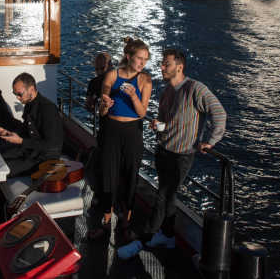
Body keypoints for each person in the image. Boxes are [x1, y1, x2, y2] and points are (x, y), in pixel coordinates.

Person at [118, 48, 227, 259]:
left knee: (163, 196)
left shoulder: (196, 89)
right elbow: (168, 122)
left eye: (166, 64)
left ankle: (143, 240)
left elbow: (219, 113)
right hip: (164, 150)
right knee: (167, 198)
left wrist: (210, 141)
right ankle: (167, 236)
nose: (161, 67)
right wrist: (158, 125)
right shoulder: (168, 91)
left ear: (179, 66)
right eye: (162, 63)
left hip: (182, 155)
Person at [94, 38, 152, 236]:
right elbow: (101, 112)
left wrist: (134, 96)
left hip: (132, 132)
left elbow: (142, 112)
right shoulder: (111, 75)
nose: (142, 63)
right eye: (139, 58)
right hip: (111, 129)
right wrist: (105, 105)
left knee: (130, 174)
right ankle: (106, 218)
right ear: (129, 57)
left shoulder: (145, 80)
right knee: (108, 173)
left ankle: (126, 218)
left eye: (145, 59)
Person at [0, 72, 64, 177]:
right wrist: (8, 133)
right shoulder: (29, 105)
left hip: (43, 158)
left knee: (1, 169)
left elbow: (52, 144)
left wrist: (21, 141)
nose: (17, 97)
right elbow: (26, 130)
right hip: (29, 150)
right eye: (15, 94)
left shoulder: (47, 109)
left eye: (19, 94)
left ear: (31, 89)